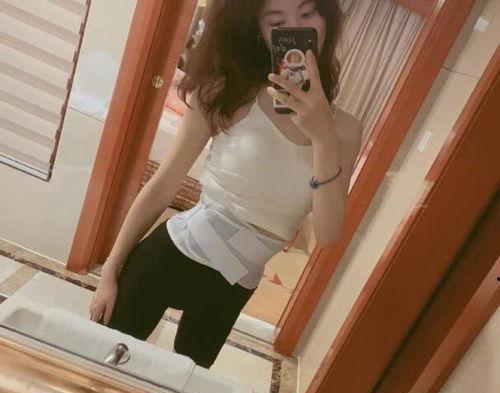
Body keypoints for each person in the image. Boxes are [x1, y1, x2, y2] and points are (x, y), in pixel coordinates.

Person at [89, 0, 363, 369]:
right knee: (105, 368)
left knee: (183, 384)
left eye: (307, 13)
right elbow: (163, 185)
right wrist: (109, 272)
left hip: (234, 288)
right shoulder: (229, 91)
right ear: (260, 31)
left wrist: (323, 138)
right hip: (169, 257)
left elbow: (328, 234)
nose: (296, 27)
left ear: (326, 18)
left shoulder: (345, 131)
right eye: (276, 21)